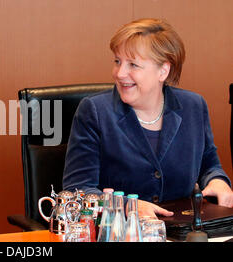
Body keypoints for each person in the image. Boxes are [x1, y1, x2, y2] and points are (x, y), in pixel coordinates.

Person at [63, 18, 233, 218]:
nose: (119, 73)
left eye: (133, 64)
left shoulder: (193, 106)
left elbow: (209, 165)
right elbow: (78, 190)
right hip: (122, 232)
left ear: (163, 70)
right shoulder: (95, 111)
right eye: (117, 61)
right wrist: (129, 206)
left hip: (180, 230)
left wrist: (218, 181)